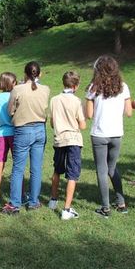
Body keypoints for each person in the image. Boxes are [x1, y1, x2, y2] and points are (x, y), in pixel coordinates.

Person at [0, 61, 50, 215]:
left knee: (18, 168)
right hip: (40, 129)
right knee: (36, 168)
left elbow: (10, 111)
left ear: (25, 73)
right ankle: (34, 201)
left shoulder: (17, 89)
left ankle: (15, 204)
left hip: (23, 130)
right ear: (39, 74)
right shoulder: (46, 89)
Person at [85, 56, 132, 218]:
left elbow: (89, 115)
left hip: (99, 133)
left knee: (101, 170)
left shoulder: (93, 87)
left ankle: (105, 207)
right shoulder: (123, 87)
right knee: (112, 168)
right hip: (116, 133)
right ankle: (121, 202)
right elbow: (129, 112)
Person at [48, 71, 86, 220]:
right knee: (72, 174)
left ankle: (53, 199)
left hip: (59, 140)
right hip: (73, 140)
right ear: (76, 86)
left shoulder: (54, 100)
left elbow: (52, 123)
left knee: (57, 170)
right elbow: (82, 125)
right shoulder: (77, 101)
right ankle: (66, 209)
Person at [0, 72, 17, 206]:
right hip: (15, 133)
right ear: (13, 83)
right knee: (18, 165)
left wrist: (0, 117)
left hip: (1, 134)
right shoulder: (15, 96)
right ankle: (20, 194)